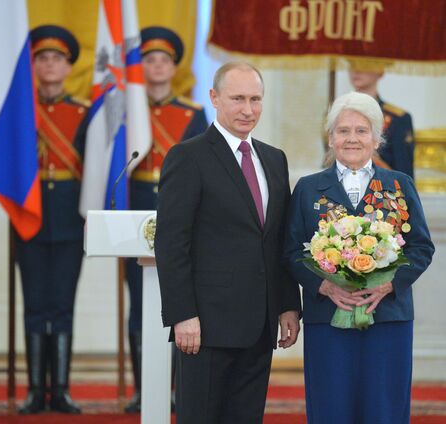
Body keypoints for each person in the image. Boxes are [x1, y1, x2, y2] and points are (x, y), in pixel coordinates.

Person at [154, 61, 301, 423]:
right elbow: (172, 244)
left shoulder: (274, 159)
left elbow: (277, 240)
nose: (248, 109)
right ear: (214, 98)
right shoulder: (188, 156)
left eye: (255, 99)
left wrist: (287, 305)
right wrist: (182, 314)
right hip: (206, 326)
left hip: (260, 325)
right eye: (237, 98)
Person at [284, 92, 434, 424]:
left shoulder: (399, 184)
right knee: (330, 407)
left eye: (362, 130)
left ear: (377, 138)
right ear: (330, 137)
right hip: (328, 318)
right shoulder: (309, 188)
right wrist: (324, 286)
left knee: (384, 409)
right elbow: (291, 252)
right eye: (343, 130)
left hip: (388, 318)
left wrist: (389, 284)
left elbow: (421, 247)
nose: (352, 138)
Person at [124, 25, 208, 413]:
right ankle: (143, 389)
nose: (156, 66)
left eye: (163, 60)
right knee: (137, 303)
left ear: (174, 68)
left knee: (180, 301)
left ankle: (176, 388)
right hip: (135, 208)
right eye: (149, 60)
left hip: (180, 211)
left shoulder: (191, 114)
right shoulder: (125, 111)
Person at [16, 25, 89, 414]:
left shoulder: (81, 113)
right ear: (33, 65)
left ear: (67, 67)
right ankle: (33, 391)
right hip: (28, 216)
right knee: (33, 305)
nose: (49, 64)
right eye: (42, 58)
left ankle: (59, 389)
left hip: (66, 217)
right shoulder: (19, 115)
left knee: (61, 304)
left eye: (56, 59)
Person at [349, 67, 415, 177]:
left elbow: (404, 170)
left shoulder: (398, 118)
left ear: (380, 71)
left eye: (365, 64)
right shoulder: (336, 114)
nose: (356, 70)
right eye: (352, 64)